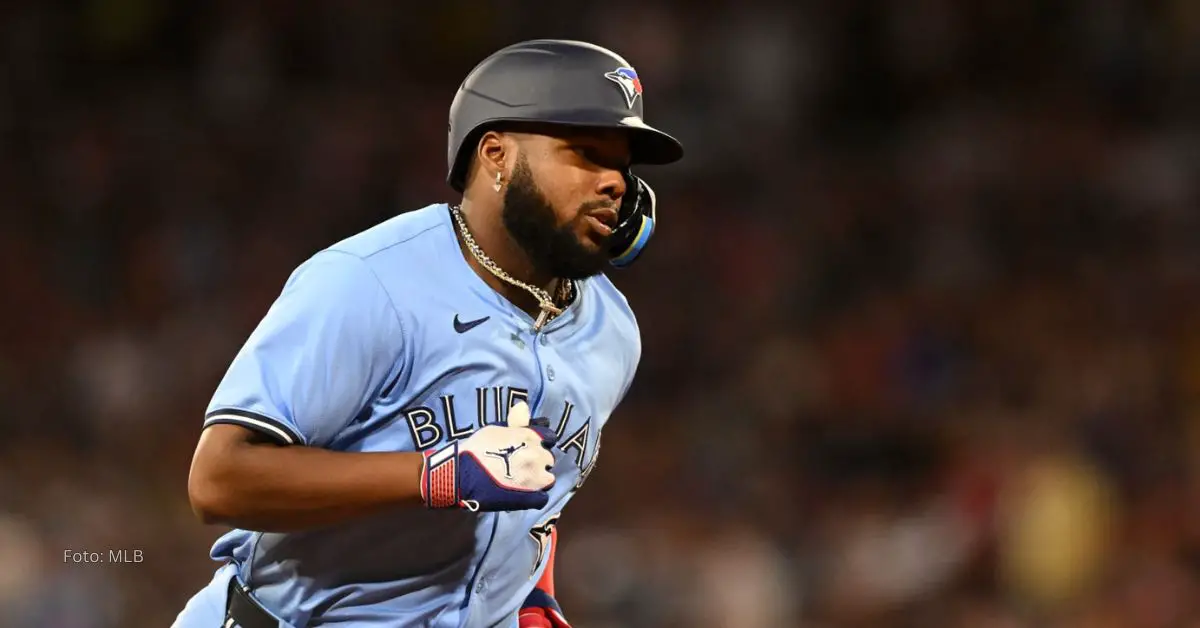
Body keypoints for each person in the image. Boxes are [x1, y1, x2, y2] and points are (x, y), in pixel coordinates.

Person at [172, 38, 683, 627]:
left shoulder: (612, 332)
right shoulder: (370, 283)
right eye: (586, 153)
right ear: (496, 155)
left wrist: (533, 592)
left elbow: (537, 493)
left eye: (622, 165)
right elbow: (219, 480)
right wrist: (434, 474)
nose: (616, 183)